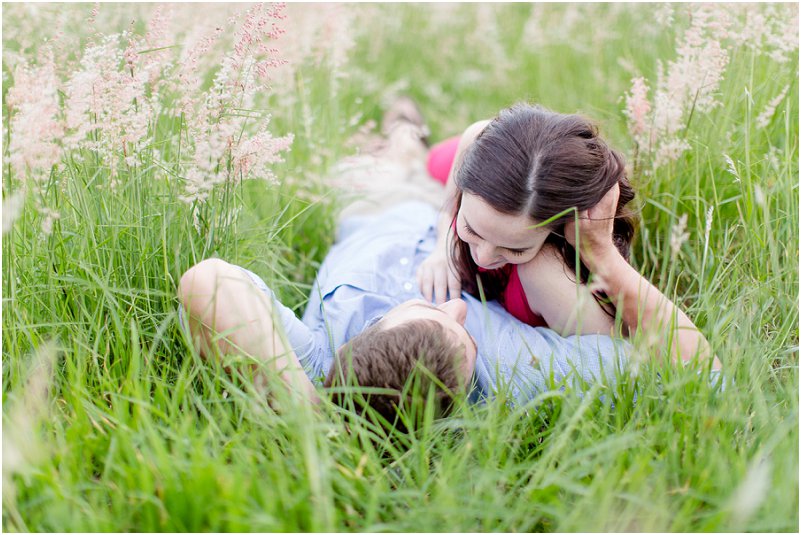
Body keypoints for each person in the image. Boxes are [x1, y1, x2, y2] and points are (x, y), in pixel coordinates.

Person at [417, 103, 721, 369]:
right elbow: (447, 209)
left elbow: (694, 366)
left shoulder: (546, 274)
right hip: (477, 162)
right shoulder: (476, 141)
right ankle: (406, 127)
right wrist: (441, 250)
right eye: (471, 229)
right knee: (418, 160)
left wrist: (600, 251)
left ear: (559, 232)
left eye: (515, 249)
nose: (482, 256)